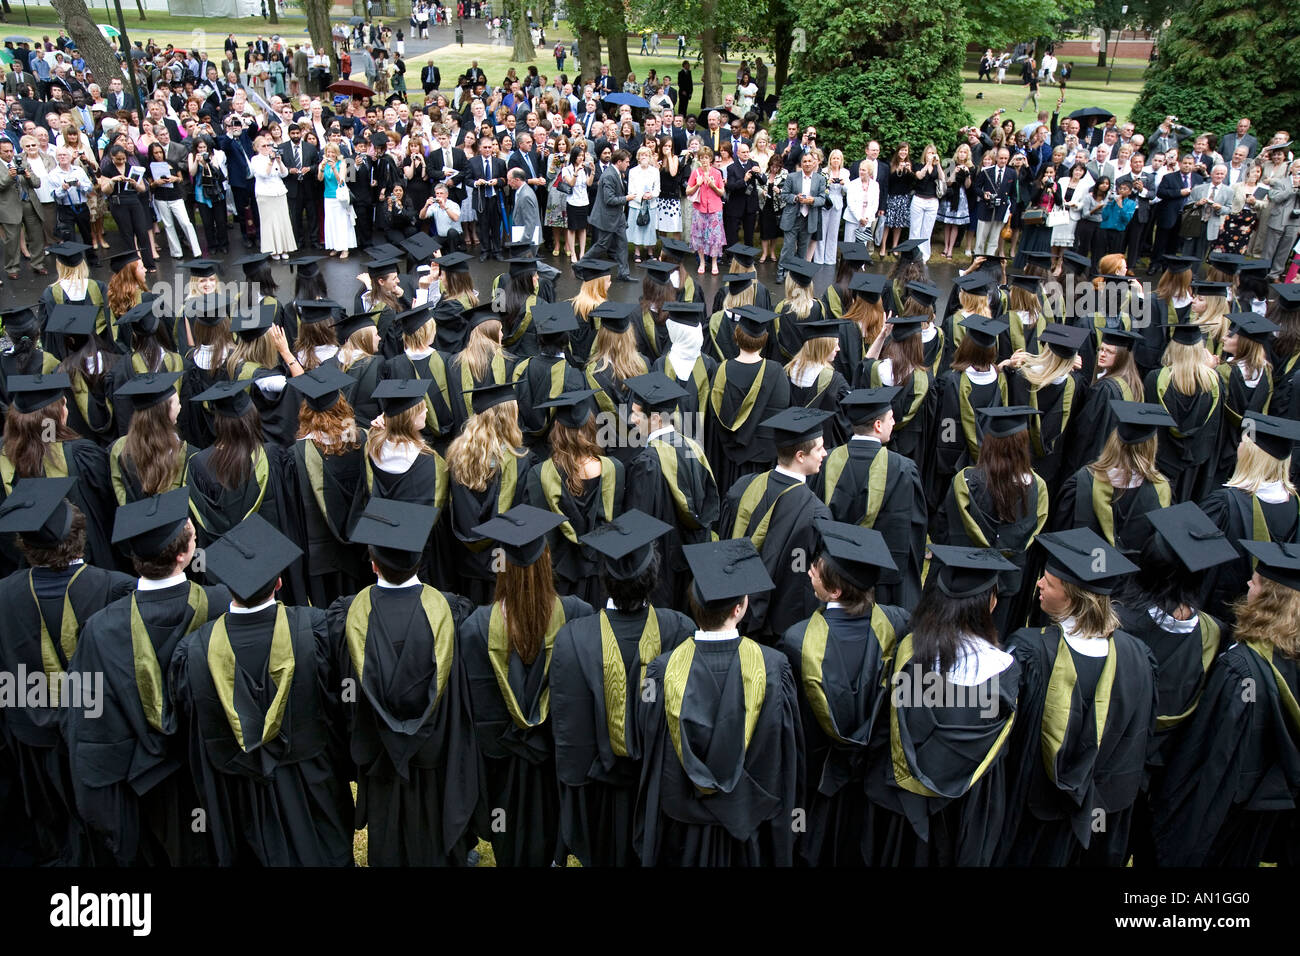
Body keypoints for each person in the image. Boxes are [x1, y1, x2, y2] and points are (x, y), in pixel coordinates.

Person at [168, 514, 354, 865]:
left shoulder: (194, 651)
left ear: (227, 588)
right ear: (280, 582)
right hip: (311, 780)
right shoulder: (313, 630)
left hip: (239, 791)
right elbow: (337, 708)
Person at [64, 490, 227, 866]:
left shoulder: (101, 630)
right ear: (185, 555)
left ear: (135, 560)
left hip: (144, 787)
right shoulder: (220, 606)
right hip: (217, 773)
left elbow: (88, 728)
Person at [324, 498, 481, 866]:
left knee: (389, 838)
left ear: (373, 563)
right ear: (420, 560)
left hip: (379, 756)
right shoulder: (452, 613)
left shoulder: (347, 616)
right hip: (437, 755)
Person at [999, 528, 1157, 865]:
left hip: (1030, 806)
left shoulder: (1030, 650)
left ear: (1072, 596)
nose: (1038, 583)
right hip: (1095, 815)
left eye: (1049, 581)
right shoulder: (1137, 655)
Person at [0, 478, 135, 864]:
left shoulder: (4, 596)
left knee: (53, 820)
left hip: (34, 736)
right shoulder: (115, 589)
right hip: (102, 735)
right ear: (80, 537)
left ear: (24, 546)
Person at [549, 510, 695, 866]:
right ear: (654, 577)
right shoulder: (679, 630)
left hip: (600, 790)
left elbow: (570, 735)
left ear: (604, 578)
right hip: (660, 788)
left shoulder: (572, 638)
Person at [866, 544, 1021, 865]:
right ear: (989, 604)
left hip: (901, 803)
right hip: (962, 809)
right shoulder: (1003, 669)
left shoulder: (910, 650)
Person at [458, 504, 595, 866]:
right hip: (555, 760)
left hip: (502, 766)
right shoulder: (578, 615)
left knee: (508, 838)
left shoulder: (476, 628)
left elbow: (474, 713)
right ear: (546, 561)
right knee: (553, 837)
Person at [1151, 538, 1300, 865]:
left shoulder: (1240, 669)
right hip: (1260, 805)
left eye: (1257, 581)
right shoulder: (1290, 656)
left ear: (1270, 600)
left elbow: (1209, 751)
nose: (1248, 582)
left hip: (1220, 805)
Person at [720, 408, 833, 644]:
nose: (824, 453)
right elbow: (803, 571)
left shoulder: (743, 487)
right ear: (801, 456)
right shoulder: (815, 513)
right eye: (820, 447)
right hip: (783, 627)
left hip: (734, 612)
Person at [778, 150, 827, 280]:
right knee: (788, 248)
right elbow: (784, 195)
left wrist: (812, 200)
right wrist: (795, 198)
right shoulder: (792, 177)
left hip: (809, 218)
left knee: (803, 249)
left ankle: (797, 274)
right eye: (804, 161)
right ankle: (781, 273)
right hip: (793, 217)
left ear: (814, 162)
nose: (807, 164)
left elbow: (822, 199)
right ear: (801, 163)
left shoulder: (820, 179)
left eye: (809, 161)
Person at [588, 147, 633, 282]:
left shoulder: (617, 173)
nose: (628, 164)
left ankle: (623, 273)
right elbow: (609, 199)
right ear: (619, 162)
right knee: (601, 245)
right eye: (626, 162)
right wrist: (627, 198)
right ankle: (579, 265)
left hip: (618, 217)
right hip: (607, 217)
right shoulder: (609, 175)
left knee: (622, 244)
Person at [250, 135, 296, 260]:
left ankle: (284, 248)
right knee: (269, 223)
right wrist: (270, 161)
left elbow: (284, 173)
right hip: (265, 194)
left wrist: (279, 161)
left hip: (279, 192)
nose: (267, 148)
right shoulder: (255, 160)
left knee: (283, 221)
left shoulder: (275, 158)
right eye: (263, 146)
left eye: (268, 145)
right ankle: (273, 250)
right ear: (257, 148)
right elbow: (264, 174)